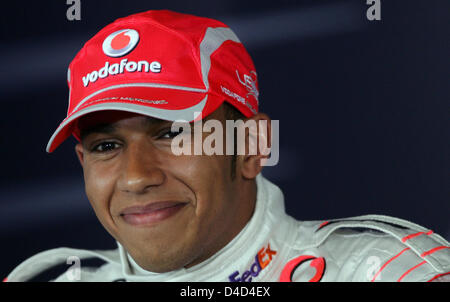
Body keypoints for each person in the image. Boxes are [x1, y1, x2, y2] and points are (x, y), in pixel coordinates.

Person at [6, 9, 449, 282]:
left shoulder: (391, 274)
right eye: (106, 146)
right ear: (82, 161)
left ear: (253, 144)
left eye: (173, 132)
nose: (137, 176)